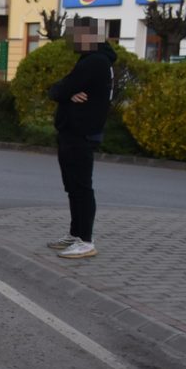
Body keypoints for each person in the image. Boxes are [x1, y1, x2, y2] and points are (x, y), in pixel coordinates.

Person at [46, 16, 116, 259]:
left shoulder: (95, 61)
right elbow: (60, 89)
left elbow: (60, 89)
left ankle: (86, 240)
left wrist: (65, 93)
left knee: (81, 188)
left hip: (80, 133)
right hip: (74, 132)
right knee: (73, 188)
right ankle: (75, 234)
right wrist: (66, 93)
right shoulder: (91, 59)